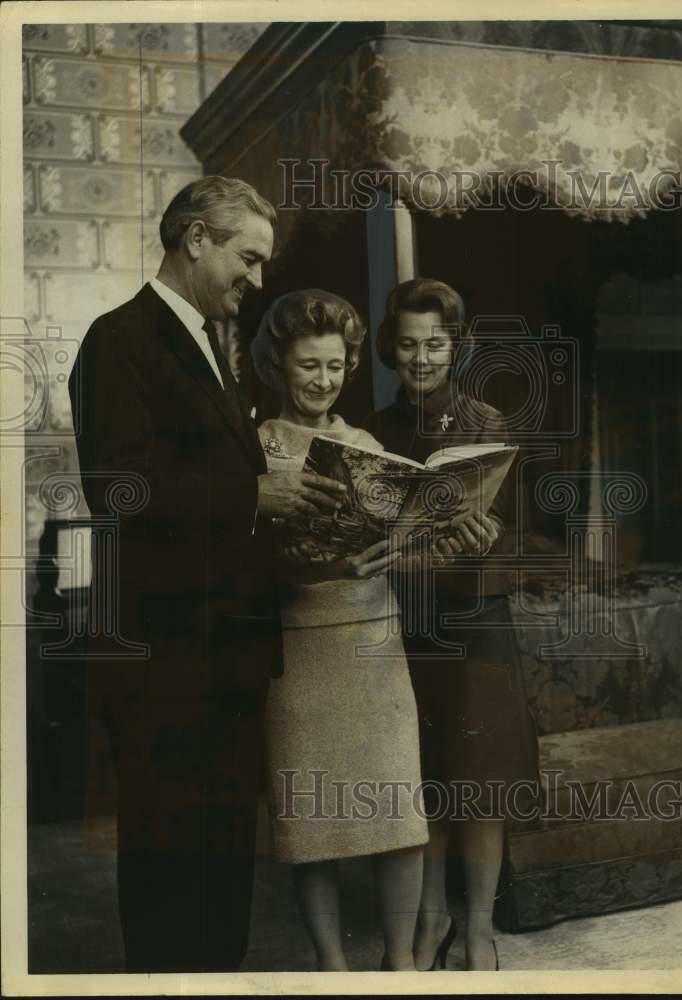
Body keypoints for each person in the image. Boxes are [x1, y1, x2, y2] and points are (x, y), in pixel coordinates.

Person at [68, 177, 345, 972]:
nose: (256, 281)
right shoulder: (118, 339)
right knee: (168, 875)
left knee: (219, 871)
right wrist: (252, 492)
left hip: (220, 662)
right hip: (166, 669)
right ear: (195, 239)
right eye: (246, 259)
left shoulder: (204, 345)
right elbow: (115, 489)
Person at [366, 277, 541, 972]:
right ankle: (431, 915)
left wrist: (487, 533)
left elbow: (518, 525)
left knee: (481, 777)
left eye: (434, 343)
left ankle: (477, 927)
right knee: (424, 776)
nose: (420, 358)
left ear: (456, 346)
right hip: (406, 619)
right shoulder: (374, 430)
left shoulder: (488, 425)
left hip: (475, 617)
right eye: (407, 344)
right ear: (391, 349)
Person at [251, 289, 428, 972]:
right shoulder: (258, 445)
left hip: (374, 640)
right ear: (279, 365)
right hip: (299, 642)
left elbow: (401, 536)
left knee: (398, 810)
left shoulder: (365, 446)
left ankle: (403, 962)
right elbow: (244, 555)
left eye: (334, 366)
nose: (322, 381)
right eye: (308, 366)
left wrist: (411, 533)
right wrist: (310, 557)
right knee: (311, 817)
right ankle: (331, 966)